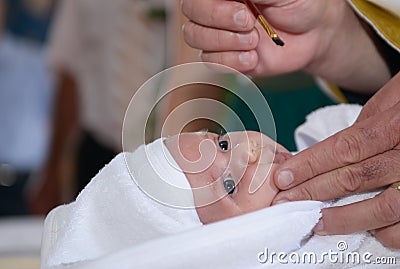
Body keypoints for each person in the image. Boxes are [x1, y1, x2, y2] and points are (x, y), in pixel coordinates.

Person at [180, 0, 400, 248]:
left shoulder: (323, 131)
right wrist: (332, 35)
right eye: (229, 185)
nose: (248, 151)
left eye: (223, 144)